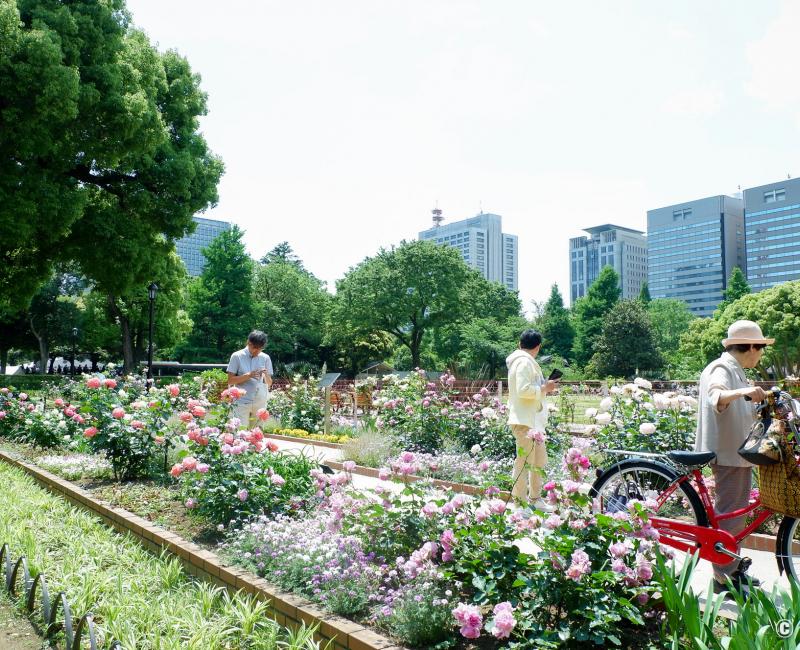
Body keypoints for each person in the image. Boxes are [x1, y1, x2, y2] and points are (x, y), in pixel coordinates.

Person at [694, 319, 773, 594]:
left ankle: (731, 570)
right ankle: (723, 578)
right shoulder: (722, 367)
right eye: (760, 348)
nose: (761, 354)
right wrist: (743, 391)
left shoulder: (734, 369)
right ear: (750, 347)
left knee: (734, 517)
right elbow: (716, 396)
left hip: (735, 453)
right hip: (728, 454)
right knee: (730, 517)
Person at [506, 329, 559, 506]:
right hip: (524, 422)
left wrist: (545, 387)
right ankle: (520, 503)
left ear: (519, 344)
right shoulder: (523, 362)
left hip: (533, 422)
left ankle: (535, 498)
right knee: (524, 462)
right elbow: (523, 390)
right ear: (538, 347)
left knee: (538, 461)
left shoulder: (526, 362)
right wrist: (545, 388)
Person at [226, 331, 274, 429]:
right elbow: (230, 381)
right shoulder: (237, 356)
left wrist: (265, 375)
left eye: (260, 349)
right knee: (240, 432)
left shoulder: (265, 358)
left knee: (256, 432)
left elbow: (269, 383)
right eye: (255, 348)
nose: (257, 351)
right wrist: (248, 375)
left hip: (260, 400)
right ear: (249, 343)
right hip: (241, 400)